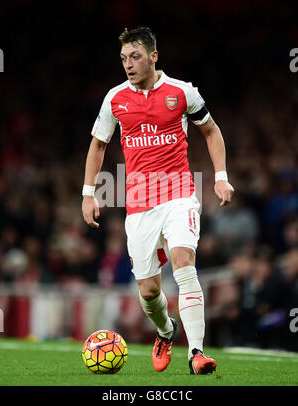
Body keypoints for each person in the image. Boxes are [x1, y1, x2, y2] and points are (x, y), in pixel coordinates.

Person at [81, 26, 234, 374]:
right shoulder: (115, 99)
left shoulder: (182, 92)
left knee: (183, 262)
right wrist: (88, 193)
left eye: (135, 57)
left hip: (179, 194)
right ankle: (166, 330)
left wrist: (221, 177)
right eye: (123, 59)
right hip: (139, 205)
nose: (128, 65)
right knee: (149, 291)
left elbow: (210, 130)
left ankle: (196, 352)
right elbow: (98, 145)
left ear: (153, 56)